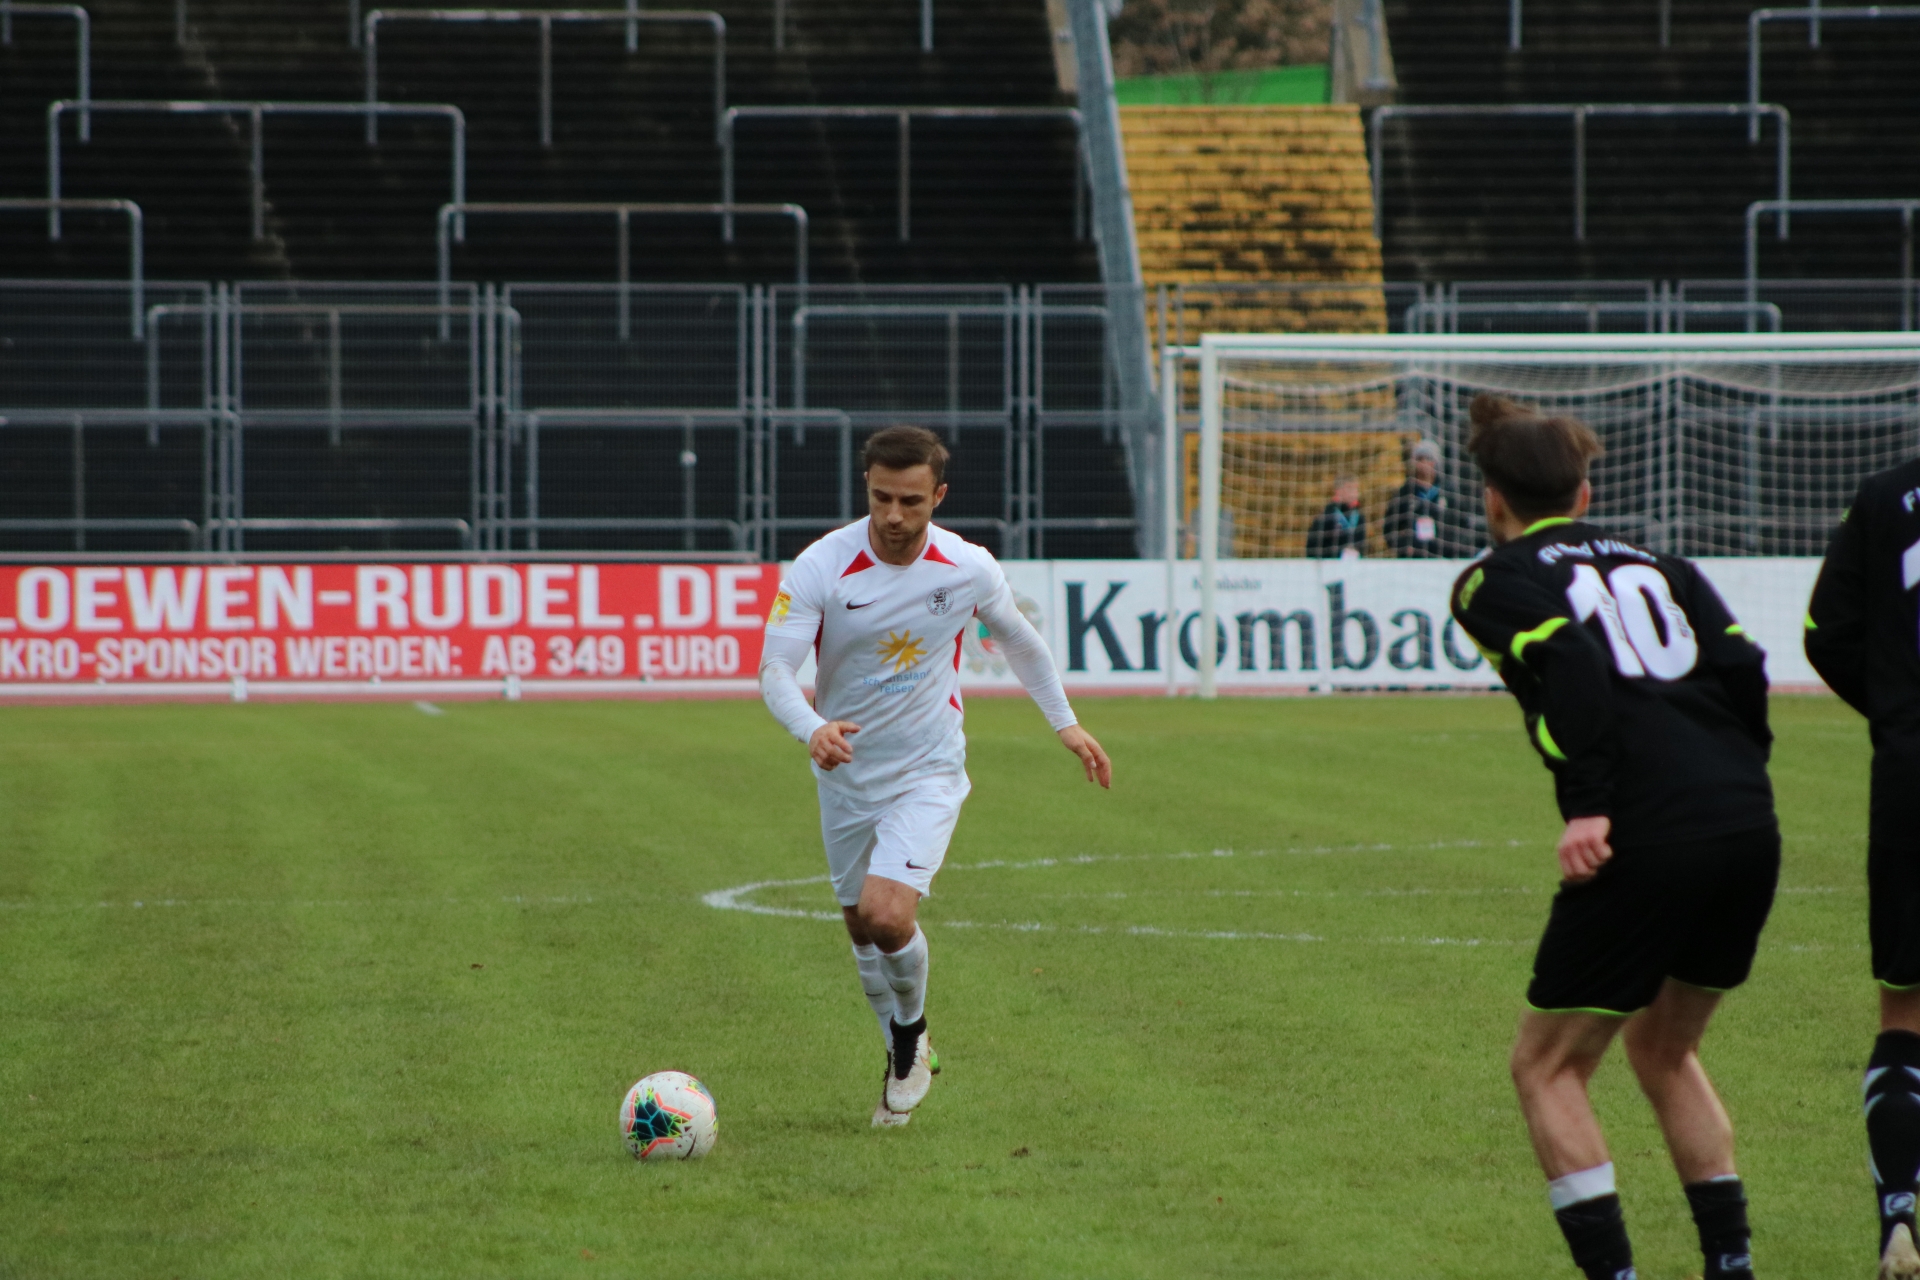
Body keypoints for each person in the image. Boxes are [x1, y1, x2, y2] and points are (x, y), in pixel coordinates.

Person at [1450, 393, 1777, 1280]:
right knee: (1665, 1046)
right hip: (1747, 823)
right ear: (1585, 493)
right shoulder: (1666, 565)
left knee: (1547, 1066)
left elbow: (1571, 666)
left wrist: (1589, 804)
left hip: (1647, 831)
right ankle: (1731, 1265)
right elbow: (1746, 665)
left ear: (1491, 498)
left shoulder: (1492, 580)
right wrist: (1741, 771)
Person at [759, 425, 1112, 1128]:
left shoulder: (967, 566)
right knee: (860, 926)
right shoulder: (820, 567)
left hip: (929, 767)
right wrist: (813, 729)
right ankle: (899, 1042)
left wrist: (1064, 722)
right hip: (848, 773)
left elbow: (1018, 639)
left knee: (891, 915)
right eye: (882, 498)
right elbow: (775, 669)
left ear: (938, 496)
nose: (894, 516)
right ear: (867, 489)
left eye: (912, 502)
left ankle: (911, 1038)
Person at [1805, 457, 1920, 1280]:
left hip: (1911, 775)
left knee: (1904, 1009)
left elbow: (1825, 632)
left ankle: (1900, 1221)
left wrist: (1895, 709)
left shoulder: (1884, 494)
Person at [1384, 439, 1461, 558]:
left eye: (1428, 459)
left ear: (1435, 462)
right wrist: (1403, 546)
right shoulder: (1403, 493)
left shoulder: (1447, 492)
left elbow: (1460, 524)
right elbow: (1389, 528)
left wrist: (1450, 548)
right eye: (1420, 459)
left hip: (1443, 558)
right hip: (1412, 560)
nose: (1424, 463)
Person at [1305, 474, 1367, 559]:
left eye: (1356, 489)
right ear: (1338, 491)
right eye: (1350, 489)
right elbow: (1313, 548)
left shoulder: (1359, 516)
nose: (1354, 493)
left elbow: (1361, 543)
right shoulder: (1326, 515)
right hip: (1330, 566)